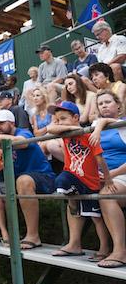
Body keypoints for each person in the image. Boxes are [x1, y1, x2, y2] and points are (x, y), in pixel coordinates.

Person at [0, 109, 56, 249]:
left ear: (11, 123)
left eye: (2, 124)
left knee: (23, 181)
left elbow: (20, 142)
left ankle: (33, 236)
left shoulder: (23, 132)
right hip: (16, 179)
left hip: (42, 176)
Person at [46, 101, 114, 259]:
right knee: (62, 180)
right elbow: (50, 128)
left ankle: (104, 249)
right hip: (74, 177)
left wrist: (108, 179)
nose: (59, 123)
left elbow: (100, 159)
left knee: (96, 217)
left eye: (63, 118)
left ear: (76, 117)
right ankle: (73, 204)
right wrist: (70, 128)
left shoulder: (87, 134)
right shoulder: (66, 133)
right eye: (58, 120)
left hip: (90, 182)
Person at [89, 90, 126, 268]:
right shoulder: (94, 127)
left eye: (108, 102)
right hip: (103, 176)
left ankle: (120, 251)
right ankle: (77, 244)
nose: (104, 106)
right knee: (71, 191)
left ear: (118, 105)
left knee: (107, 195)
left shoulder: (124, 125)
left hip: (121, 174)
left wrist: (113, 174)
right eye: (100, 104)